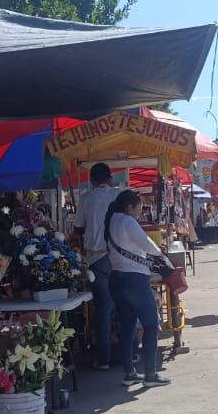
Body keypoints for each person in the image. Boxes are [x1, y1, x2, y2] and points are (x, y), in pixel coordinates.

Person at [104, 190, 171, 387]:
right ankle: (150, 374)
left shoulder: (112, 220)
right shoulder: (127, 221)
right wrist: (161, 253)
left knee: (127, 327)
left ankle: (129, 373)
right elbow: (148, 245)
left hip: (116, 278)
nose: (140, 211)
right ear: (130, 206)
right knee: (151, 324)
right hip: (134, 279)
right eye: (139, 207)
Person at [72, 163, 122, 371]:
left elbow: (77, 229)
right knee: (121, 304)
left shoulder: (86, 198)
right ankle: (126, 352)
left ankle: (103, 358)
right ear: (110, 178)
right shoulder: (120, 196)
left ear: (91, 181)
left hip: (97, 259)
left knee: (102, 307)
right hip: (120, 258)